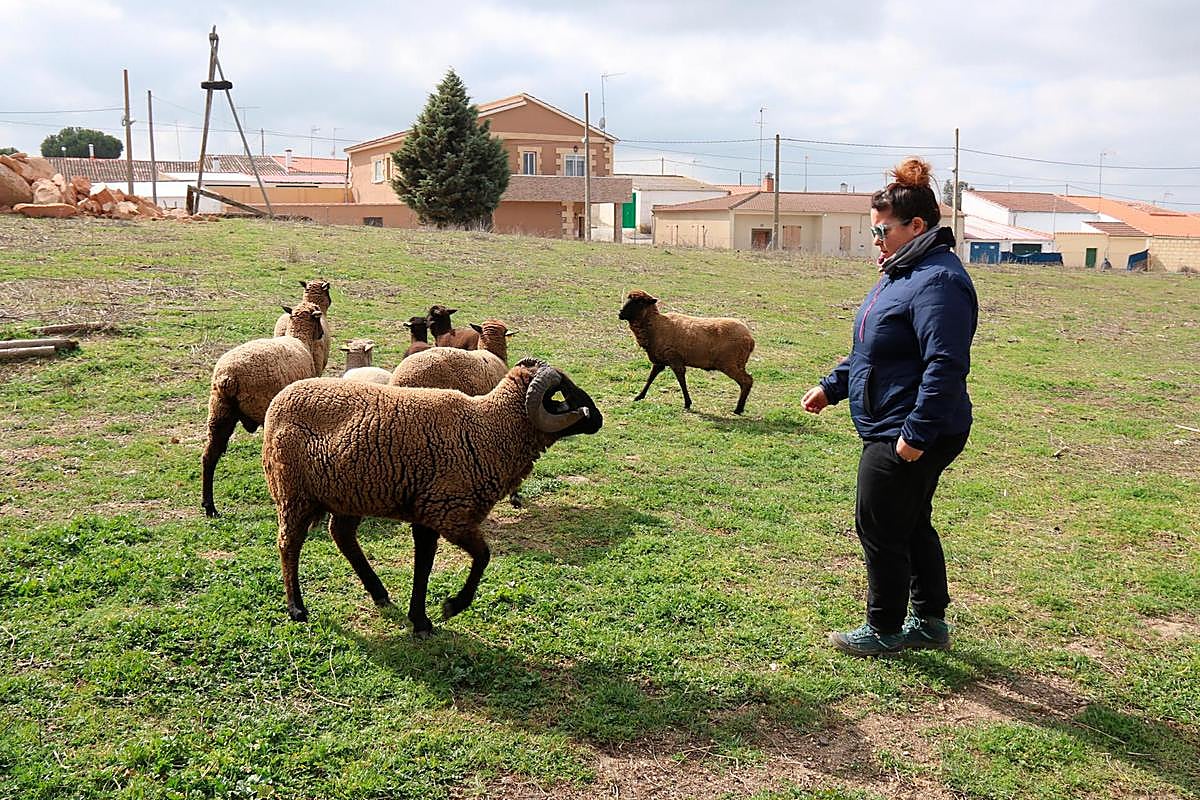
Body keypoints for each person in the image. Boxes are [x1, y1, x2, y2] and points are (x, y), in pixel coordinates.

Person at [801, 158, 978, 657]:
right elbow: (872, 347)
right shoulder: (905, 271)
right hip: (898, 418)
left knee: (878, 524)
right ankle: (930, 620)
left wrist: (914, 435)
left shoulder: (938, 282)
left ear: (916, 226)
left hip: (910, 426)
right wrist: (832, 387)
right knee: (911, 520)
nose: (875, 241)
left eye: (882, 231)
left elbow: (945, 364)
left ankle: (884, 629)